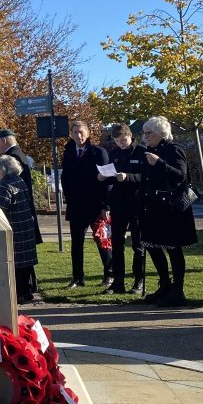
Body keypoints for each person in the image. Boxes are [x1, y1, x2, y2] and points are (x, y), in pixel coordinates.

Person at [139, 115, 198, 306]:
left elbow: (181, 176)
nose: (145, 137)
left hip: (171, 209)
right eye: (145, 133)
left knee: (173, 249)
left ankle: (178, 290)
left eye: (149, 133)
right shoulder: (149, 151)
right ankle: (164, 284)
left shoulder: (174, 149)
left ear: (161, 133)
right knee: (153, 246)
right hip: (152, 208)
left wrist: (159, 163)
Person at [61, 120, 113, 288]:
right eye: (75, 132)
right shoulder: (68, 153)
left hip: (96, 206)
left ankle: (109, 275)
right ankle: (77, 278)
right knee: (76, 243)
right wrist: (69, 200)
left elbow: (108, 180)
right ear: (71, 134)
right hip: (76, 206)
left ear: (88, 133)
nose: (79, 135)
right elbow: (65, 178)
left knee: (102, 240)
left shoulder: (99, 152)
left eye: (81, 132)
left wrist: (106, 205)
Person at [98, 123, 145, 294]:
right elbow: (112, 177)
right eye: (117, 141)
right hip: (118, 204)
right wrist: (104, 177)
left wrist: (128, 177)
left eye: (123, 140)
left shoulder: (142, 152)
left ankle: (139, 281)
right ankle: (118, 282)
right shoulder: (115, 154)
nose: (121, 143)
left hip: (137, 204)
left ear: (130, 135)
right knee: (117, 244)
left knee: (138, 245)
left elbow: (146, 177)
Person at [0, 155, 38, 303]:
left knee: (16, 262)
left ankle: (18, 294)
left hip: (15, 227)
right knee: (25, 263)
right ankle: (27, 291)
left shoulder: (4, 185)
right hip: (26, 225)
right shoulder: (19, 180)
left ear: (4, 169)